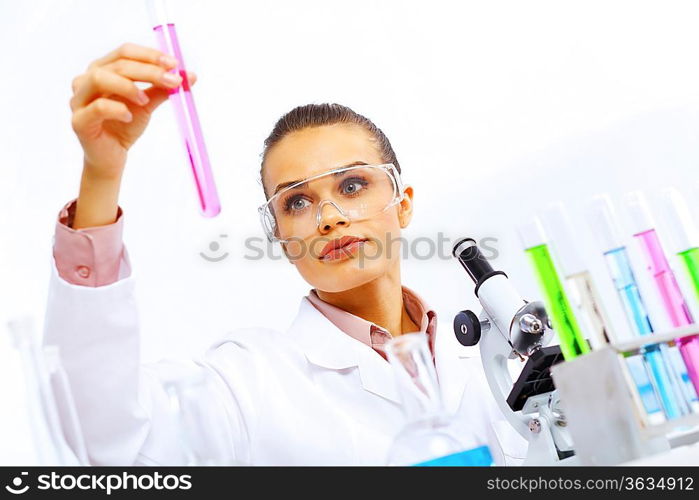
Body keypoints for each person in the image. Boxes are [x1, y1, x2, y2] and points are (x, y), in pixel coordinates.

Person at [43, 42, 528, 465]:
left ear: (402, 205)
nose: (329, 217)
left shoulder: (496, 357)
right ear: (279, 235)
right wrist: (101, 175)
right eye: (297, 201)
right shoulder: (248, 385)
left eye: (353, 184)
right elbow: (100, 434)